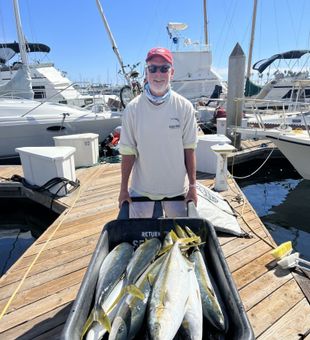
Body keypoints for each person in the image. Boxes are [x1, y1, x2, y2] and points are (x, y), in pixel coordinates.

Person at [118, 47, 198, 217]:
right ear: (146, 72)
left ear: (172, 72)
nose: (158, 74)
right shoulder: (132, 109)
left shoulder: (185, 107)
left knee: (182, 240)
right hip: (141, 190)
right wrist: (123, 189)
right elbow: (127, 151)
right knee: (136, 240)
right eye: (153, 68)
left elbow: (189, 149)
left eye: (164, 68)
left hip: (177, 190)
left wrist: (192, 187)